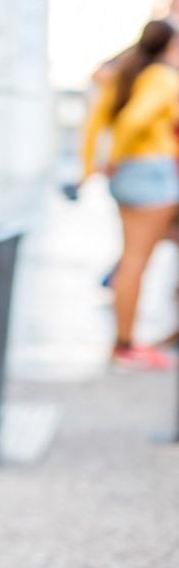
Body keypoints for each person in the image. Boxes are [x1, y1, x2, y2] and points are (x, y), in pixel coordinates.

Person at [78, 19, 179, 370]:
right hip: (149, 172)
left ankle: (128, 342)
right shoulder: (162, 79)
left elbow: (95, 122)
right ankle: (124, 344)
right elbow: (134, 122)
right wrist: (116, 157)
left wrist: (93, 166)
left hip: (134, 173)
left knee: (133, 259)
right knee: (135, 262)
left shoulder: (127, 74)